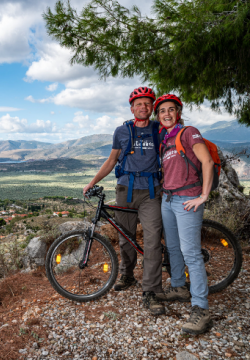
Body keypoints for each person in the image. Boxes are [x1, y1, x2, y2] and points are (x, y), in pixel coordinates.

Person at [83, 86, 165, 316]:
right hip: (125, 190)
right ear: (132, 108)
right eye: (139, 104)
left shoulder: (159, 129)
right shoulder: (121, 131)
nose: (144, 107)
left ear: (152, 108)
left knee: (152, 241)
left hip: (151, 192)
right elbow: (111, 161)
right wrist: (92, 181)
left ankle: (151, 290)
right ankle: (127, 275)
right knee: (125, 238)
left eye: (148, 104)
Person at [154, 94, 214, 334]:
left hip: (187, 200)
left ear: (178, 112)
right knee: (173, 247)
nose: (166, 114)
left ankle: (201, 308)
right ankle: (178, 286)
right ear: (158, 116)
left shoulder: (189, 132)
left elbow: (207, 162)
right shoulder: (165, 139)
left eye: (171, 110)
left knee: (191, 253)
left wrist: (203, 196)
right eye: (162, 111)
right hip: (167, 200)